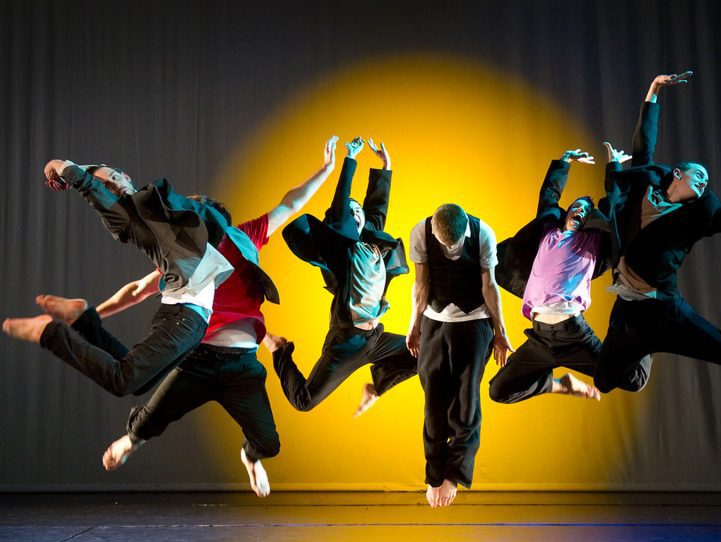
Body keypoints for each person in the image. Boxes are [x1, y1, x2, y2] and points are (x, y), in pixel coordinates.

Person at [31, 136, 339, 497]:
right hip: (196, 359)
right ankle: (131, 441)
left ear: (212, 220)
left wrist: (326, 170)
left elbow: (290, 203)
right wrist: (93, 315)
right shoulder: (183, 258)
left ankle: (251, 458)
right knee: (146, 420)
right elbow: (136, 290)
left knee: (269, 444)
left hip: (242, 365)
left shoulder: (243, 239)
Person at [594, 72, 721, 395]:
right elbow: (643, 146)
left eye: (706, 182)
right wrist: (654, 91)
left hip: (663, 312)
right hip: (628, 313)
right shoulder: (641, 191)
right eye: (698, 175)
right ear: (677, 174)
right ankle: (644, 352)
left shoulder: (695, 219)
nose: (703, 182)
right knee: (603, 382)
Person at [3, 158, 233, 399]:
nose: (115, 186)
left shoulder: (162, 219)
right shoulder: (128, 218)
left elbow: (139, 288)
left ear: (127, 177)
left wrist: (69, 169)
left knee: (138, 382)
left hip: (192, 320)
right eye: (109, 186)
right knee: (122, 380)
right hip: (185, 316)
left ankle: (83, 320)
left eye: (116, 179)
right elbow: (89, 187)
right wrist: (60, 166)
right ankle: (47, 333)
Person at [263, 137, 417, 418]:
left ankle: (376, 387)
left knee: (424, 351)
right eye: (349, 211)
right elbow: (339, 206)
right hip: (345, 342)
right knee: (304, 401)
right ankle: (279, 350)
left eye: (357, 211)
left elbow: (377, 209)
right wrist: (350, 159)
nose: (355, 214)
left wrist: (385, 166)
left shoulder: (372, 244)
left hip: (374, 338)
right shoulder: (343, 251)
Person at [489, 145, 628, 403]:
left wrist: (614, 167)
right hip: (540, 335)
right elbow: (549, 195)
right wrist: (564, 161)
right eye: (578, 207)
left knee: (623, 378)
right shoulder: (547, 231)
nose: (581, 212)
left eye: (587, 212)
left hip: (574, 335)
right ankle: (561, 386)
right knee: (499, 391)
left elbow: (616, 212)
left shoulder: (592, 243)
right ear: (567, 212)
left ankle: (653, 336)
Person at [406, 203, 512, 508]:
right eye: (445, 244)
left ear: (464, 230)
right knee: (434, 404)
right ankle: (434, 476)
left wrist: (500, 332)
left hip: (474, 323)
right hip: (434, 321)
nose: (451, 249)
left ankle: (454, 475)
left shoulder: (483, 234)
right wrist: (414, 327)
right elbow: (420, 283)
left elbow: (489, 285)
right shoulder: (420, 233)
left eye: (455, 244)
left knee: (466, 406)